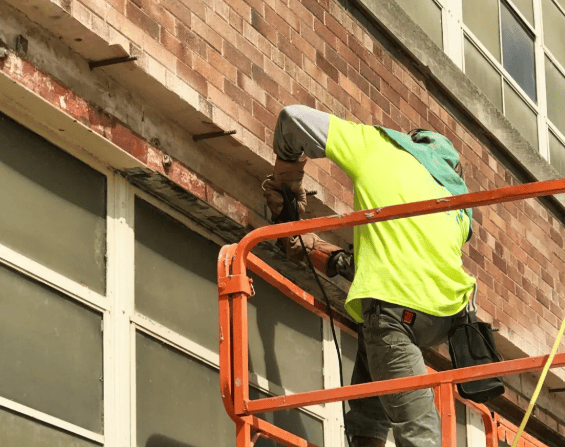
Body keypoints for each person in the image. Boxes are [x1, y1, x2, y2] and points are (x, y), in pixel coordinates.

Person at [263, 105, 476, 447]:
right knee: (370, 399)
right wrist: (314, 247)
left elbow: (292, 119)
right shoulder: (458, 204)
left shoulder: (379, 147)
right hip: (443, 321)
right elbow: (389, 265)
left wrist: (286, 179)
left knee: (419, 432)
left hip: (394, 314)